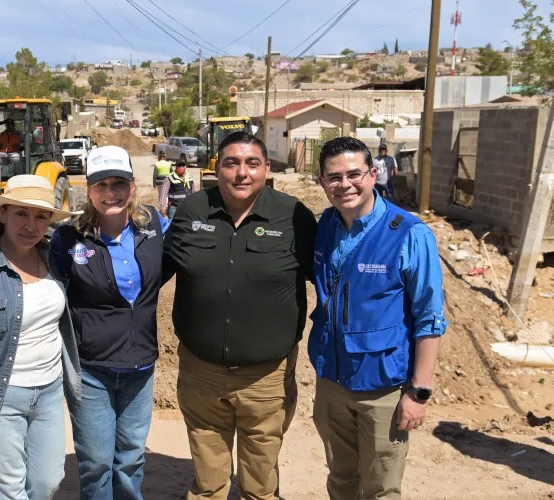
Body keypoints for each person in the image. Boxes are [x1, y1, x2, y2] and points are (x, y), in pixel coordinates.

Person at [163, 131, 317, 499]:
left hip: (266, 380)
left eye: (252, 163)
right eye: (231, 163)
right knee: (208, 485)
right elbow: (153, 271)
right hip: (201, 377)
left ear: (266, 168)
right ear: (218, 168)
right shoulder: (192, 210)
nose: (241, 173)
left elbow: (331, 277)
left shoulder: (294, 215)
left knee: (259, 486)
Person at [310, 137, 447, 500]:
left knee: (381, 488)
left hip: (382, 388)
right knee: (340, 479)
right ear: (322, 182)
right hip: (332, 383)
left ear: (373, 175)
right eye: (333, 177)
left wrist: (418, 392)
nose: (345, 185)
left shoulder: (409, 234)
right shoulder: (326, 225)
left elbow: (429, 318)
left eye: (354, 174)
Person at [0, 175, 83, 500]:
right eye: (21, 213)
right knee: (9, 490)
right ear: (3, 214)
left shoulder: (56, 259)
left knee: (47, 482)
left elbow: (97, 267)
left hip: (49, 394)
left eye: (40, 216)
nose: (31, 225)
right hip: (2, 397)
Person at [50, 145, 170, 499]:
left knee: (131, 459)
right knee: (97, 463)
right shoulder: (68, 238)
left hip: (140, 367)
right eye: (101, 185)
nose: (110, 192)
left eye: (119, 183)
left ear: (133, 187)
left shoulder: (155, 227)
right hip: (91, 370)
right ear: (88, 190)